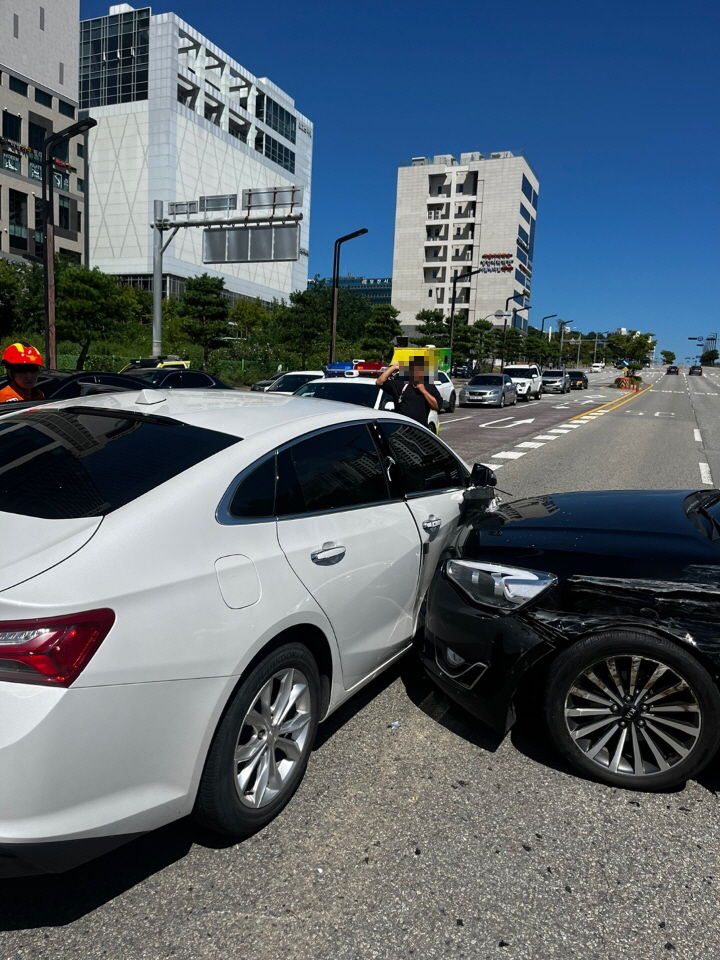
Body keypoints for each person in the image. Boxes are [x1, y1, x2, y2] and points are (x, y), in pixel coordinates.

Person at [376, 356, 442, 427]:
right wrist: (393, 367)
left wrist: (423, 391)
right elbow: (379, 382)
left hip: (419, 429)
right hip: (401, 429)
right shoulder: (401, 384)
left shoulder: (429, 385)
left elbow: (437, 406)